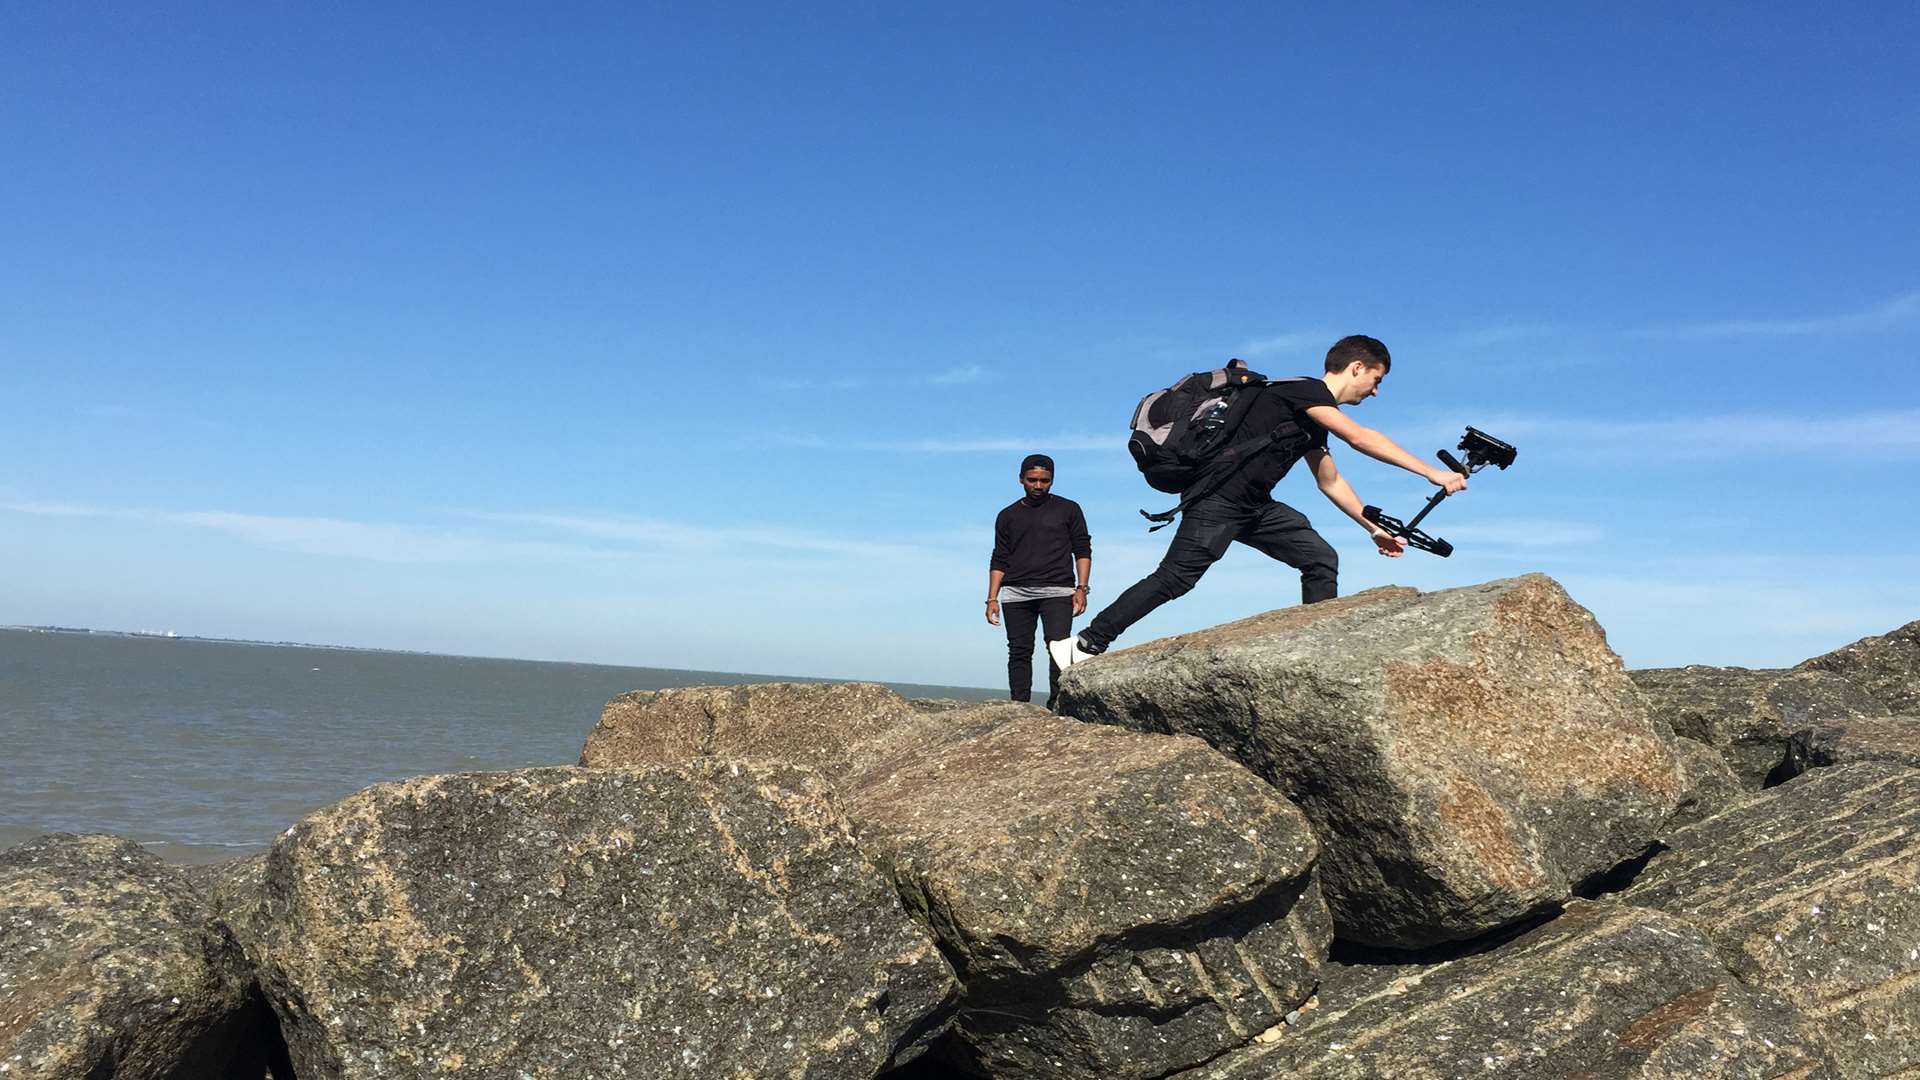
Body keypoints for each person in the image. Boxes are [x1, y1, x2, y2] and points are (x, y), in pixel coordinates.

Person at [1050, 335, 1465, 669]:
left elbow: (1331, 480)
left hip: (1255, 507)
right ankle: (1084, 644)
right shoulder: (1301, 391)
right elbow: (1359, 438)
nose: (1375, 392)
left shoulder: (1310, 415)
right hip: (1217, 501)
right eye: (1376, 380)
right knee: (1176, 579)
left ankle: (1317, 652)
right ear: (1357, 367)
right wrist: (1432, 472)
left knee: (1319, 558)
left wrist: (1374, 528)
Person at [987, 453, 1092, 706]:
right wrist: (992, 598)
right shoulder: (1007, 515)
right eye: (1032, 480)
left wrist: (1082, 588)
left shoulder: (1069, 509)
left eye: (1044, 480)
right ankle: (1019, 706)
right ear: (1021, 479)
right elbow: (999, 558)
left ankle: (1058, 705)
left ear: (1052, 480)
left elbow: (1083, 550)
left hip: (1058, 590)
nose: (1038, 486)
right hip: (1016, 593)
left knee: (1058, 649)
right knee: (1019, 651)